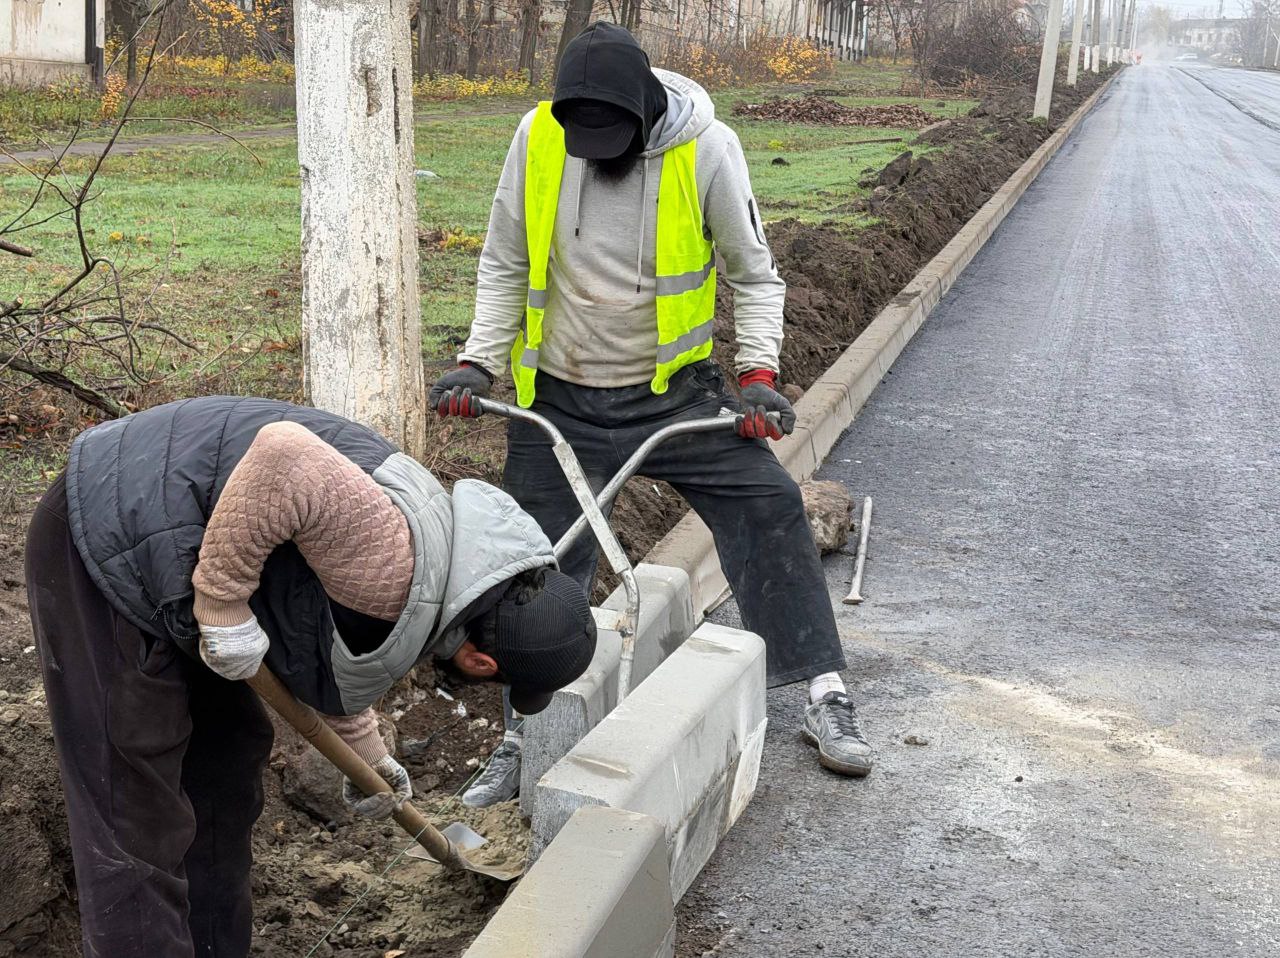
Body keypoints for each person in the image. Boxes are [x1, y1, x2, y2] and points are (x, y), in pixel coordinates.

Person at [429, 22, 873, 809]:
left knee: (770, 509)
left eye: (612, 138)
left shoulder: (706, 150)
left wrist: (759, 376)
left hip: (670, 396)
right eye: (582, 137)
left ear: (645, 113)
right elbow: (503, 260)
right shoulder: (538, 137)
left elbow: (756, 274)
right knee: (529, 569)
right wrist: (477, 360)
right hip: (557, 399)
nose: (594, 151)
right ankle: (520, 738)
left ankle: (823, 692)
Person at [24, 396, 596, 958]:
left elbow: (326, 632)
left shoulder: (449, 571)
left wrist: (369, 756)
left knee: (224, 770)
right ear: (480, 663)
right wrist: (222, 605)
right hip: (110, 532)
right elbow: (285, 453)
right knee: (135, 812)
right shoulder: (395, 556)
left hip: (187, 554)